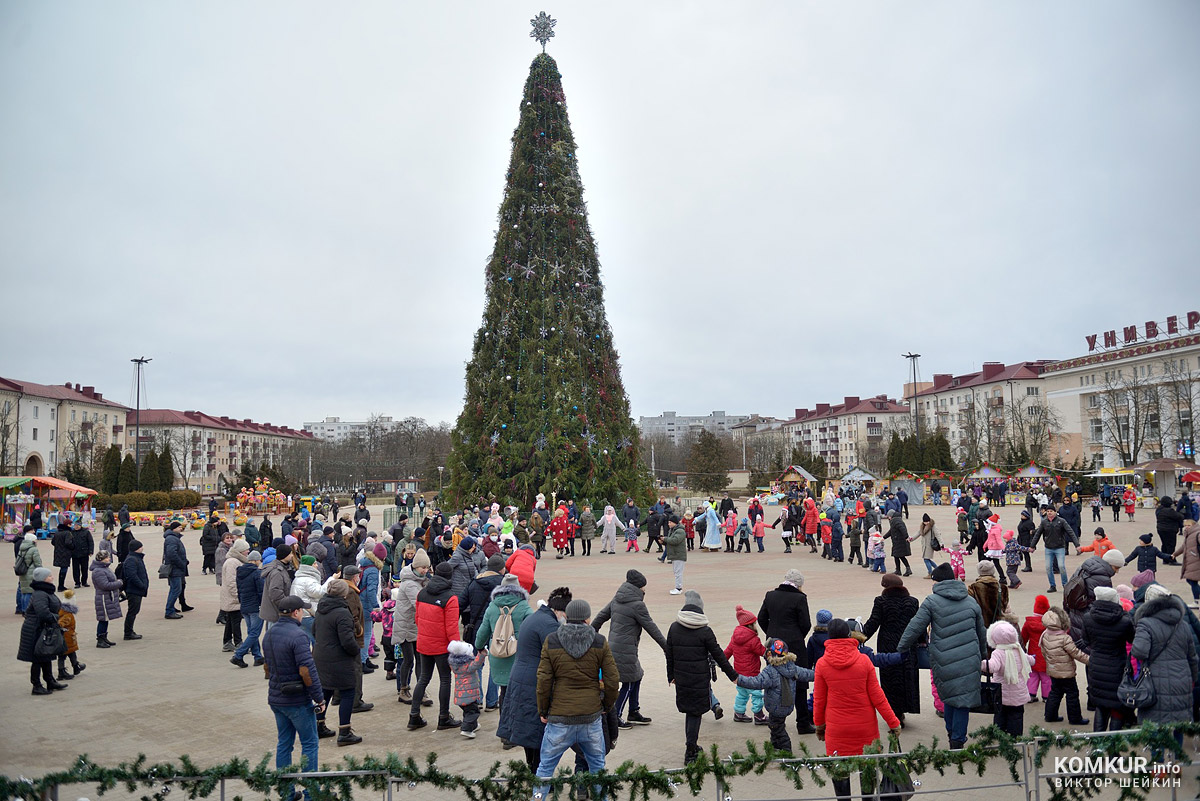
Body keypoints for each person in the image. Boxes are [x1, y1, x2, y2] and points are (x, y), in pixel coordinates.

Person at [533, 598, 619, 800]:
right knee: (598, 769)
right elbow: (613, 680)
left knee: (545, 768)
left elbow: (543, 681)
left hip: (559, 719)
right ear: (587, 618)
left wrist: (543, 710)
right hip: (591, 718)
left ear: (567, 616)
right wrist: (606, 705)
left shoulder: (552, 641)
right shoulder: (599, 641)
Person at [897, 563, 987, 749]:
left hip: (943, 658)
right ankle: (957, 740)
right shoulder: (971, 601)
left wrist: (902, 648)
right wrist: (984, 655)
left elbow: (915, 626)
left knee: (948, 697)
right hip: (969, 659)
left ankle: (950, 733)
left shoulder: (932, 601)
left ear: (937, 582)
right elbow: (981, 632)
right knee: (962, 701)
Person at [814, 618, 901, 801]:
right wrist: (893, 723)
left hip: (837, 730)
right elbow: (878, 697)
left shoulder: (822, 664)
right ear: (849, 635)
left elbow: (819, 701)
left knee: (840, 774)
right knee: (867, 772)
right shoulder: (864, 661)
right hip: (865, 730)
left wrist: (820, 726)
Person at [498, 586, 573, 770]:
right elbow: (556, 656)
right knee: (537, 731)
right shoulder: (549, 625)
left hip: (519, 677)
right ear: (559, 611)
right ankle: (538, 773)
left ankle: (532, 767)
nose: (565, 618)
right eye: (565, 614)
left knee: (526, 730)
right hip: (534, 681)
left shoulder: (534, 617)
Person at [262, 595, 324, 799]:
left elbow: (267, 668)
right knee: (309, 744)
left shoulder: (269, 634)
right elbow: (307, 671)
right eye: (302, 610)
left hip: (276, 698)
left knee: (284, 744)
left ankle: (287, 793)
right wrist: (319, 698)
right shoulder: (298, 636)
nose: (304, 613)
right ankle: (311, 793)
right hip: (297, 700)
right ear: (296, 612)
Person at [666, 590, 738, 763]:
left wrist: (671, 676)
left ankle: (692, 746)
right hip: (699, 680)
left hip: (682, 679)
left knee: (690, 713)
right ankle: (691, 751)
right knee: (694, 714)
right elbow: (719, 655)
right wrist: (733, 676)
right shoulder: (705, 631)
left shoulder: (674, 628)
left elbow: (669, 654)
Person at [592, 569, 667, 728]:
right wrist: (667, 647)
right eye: (643, 587)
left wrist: (591, 632)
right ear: (637, 587)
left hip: (614, 648)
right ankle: (617, 716)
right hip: (625, 651)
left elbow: (600, 617)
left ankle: (634, 711)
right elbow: (652, 628)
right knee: (629, 682)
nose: (644, 590)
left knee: (637, 675)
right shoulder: (637, 605)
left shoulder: (617, 599)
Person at [1131, 584, 1199, 731]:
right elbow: (1193, 657)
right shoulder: (1183, 624)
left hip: (1155, 681)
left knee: (1155, 726)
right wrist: (1192, 679)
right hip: (1182, 679)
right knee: (1178, 724)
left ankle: (1158, 754)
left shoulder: (1145, 624)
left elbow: (1139, 652)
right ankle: (1176, 753)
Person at [756, 569, 815, 735]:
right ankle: (802, 723)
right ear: (799, 585)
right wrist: (796, 636)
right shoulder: (800, 598)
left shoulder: (770, 595)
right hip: (795, 645)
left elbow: (761, 618)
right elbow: (806, 624)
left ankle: (775, 721)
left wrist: (772, 636)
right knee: (799, 680)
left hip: (773, 646)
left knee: (774, 680)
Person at [861, 573, 921, 725]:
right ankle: (904, 709)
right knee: (907, 677)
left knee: (890, 678)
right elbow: (918, 624)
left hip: (888, 644)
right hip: (908, 644)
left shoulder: (881, 601)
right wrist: (921, 642)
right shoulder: (913, 601)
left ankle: (894, 713)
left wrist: (859, 639)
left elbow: (873, 622)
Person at [409, 561, 461, 731]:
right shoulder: (450, 598)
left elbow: (417, 619)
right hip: (441, 646)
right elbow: (452, 628)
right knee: (445, 680)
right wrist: (458, 649)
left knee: (423, 678)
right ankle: (443, 717)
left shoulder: (422, 593)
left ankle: (414, 716)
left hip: (424, 643)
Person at [735, 638, 811, 754]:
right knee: (775, 725)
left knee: (778, 728)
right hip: (787, 704)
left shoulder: (770, 671)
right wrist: (821, 673)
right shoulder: (792, 667)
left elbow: (755, 682)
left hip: (776, 706)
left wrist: (739, 679)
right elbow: (807, 674)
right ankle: (775, 746)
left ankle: (786, 750)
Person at [312, 578, 364, 745]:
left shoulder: (321, 609)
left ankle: (319, 726)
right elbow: (347, 640)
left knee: (325, 692)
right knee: (348, 692)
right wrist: (356, 650)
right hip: (339, 659)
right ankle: (344, 731)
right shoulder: (342, 612)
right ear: (344, 594)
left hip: (321, 656)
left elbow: (314, 630)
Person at [473, 572, 532, 711]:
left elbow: (482, 632)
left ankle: (504, 725)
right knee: (517, 692)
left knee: (504, 691)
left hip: (497, 653)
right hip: (518, 654)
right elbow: (532, 628)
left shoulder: (493, 606)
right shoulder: (524, 606)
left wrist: (479, 646)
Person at [1080, 586, 1135, 731]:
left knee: (1101, 705)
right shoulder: (1124, 621)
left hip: (1096, 665)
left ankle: (1097, 745)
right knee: (1117, 706)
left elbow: (1086, 640)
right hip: (1117, 666)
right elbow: (1132, 639)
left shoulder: (1087, 618)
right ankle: (1113, 749)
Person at [17, 567, 67, 695]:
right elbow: (42, 612)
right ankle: (36, 685)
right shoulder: (40, 593)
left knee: (46, 655)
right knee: (37, 658)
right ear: (43, 579)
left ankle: (50, 680)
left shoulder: (46, 591)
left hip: (43, 628)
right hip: (35, 629)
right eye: (50, 576)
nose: (52, 577)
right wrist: (56, 618)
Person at [981, 621, 1034, 736]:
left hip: (1002, 693)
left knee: (1000, 714)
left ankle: (1000, 734)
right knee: (1017, 715)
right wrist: (1032, 659)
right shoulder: (1018, 650)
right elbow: (1029, 660)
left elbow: (993, 666)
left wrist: (983, 664)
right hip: (1018, 692)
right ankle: (1016, 736)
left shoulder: (998, 653)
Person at [1038, 606, 1090, 725]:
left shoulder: (1045, 635)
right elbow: (1076, 653)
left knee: (1055, 692)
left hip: (1053, 670)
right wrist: (1089, 661)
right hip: (1066, 673)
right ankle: (1075, 718)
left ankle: (1050, 715)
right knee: (1072, 694)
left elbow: (1044, 652)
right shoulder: (1065, 638)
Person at [393, 548, 431, 706]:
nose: (425, 570)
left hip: (415, 627)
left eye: (427, 568)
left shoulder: (421, 580)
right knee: (408, 660)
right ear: (415, 567)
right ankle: (403, 689)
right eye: (422, 567)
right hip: (406, 626)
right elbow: (419, 604)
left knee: (420, 660)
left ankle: (420, 690)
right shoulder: (409, 584)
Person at [723, 605, 766, 723]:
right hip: (752, 673)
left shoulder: (735, 638)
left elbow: (727, 651)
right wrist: (770, 653)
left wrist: (720, 660)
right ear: (750, 625)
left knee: (742, 694)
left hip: (739, 674)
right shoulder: (753, 639)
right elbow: (762, 651)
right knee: (757, 694)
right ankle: (759, 715)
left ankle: (739, 713)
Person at [1030, 506, 1080, 593]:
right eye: (1048, 511)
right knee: (1048, 568)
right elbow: (1037, 534)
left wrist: (1077, 545)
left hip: (1059, 547)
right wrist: (1032, 546)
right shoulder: (1044, 522)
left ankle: (1065, 585)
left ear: (1055, 512)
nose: (1049, 512)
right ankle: (1052, 585)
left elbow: (1070, 532)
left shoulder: (1061, 521)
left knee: (1061, 566)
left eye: (1051, 511)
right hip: (1048, 548)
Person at [231, 551, 266, 667]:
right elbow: (261, 591)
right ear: (255, 560)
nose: (260, 562)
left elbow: (239, 590)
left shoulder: (240, 572)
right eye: (259, 560)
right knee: (254, 633)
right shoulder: (257, 573)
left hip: (245, 606)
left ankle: (257, 656)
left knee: (252, 632)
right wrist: (262, 605)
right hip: (255, 606)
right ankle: (238, 655)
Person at [448, 639, 488, 738]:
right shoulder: (467, 666)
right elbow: (476, 664)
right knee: (473, 712)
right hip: (469, 695)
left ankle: (473, 725)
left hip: (460, 696)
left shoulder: (454, 665)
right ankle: (466, 729)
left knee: (467, 711)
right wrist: (481, 654)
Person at [220, 539, 251, 652]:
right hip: (233, 597)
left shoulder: (236, 561)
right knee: (235, 620)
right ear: (241, 551)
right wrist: (238, 595)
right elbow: (232, 581)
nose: (248, 551)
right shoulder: (232, 562)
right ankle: (239, 643)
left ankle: (227, 642)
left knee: (231, 619)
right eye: (246, 549)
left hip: (233, 596)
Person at [1020, 595, 1051, 703]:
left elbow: (1023, 637)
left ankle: (1031, 694)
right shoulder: (1049, 625)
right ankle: (1047, 696)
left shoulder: (1028, 623)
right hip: (1045, 654)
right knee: (1046, 677)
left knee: (1033, 675)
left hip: (1033, 654)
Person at [90, 550, 123, 649]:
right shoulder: (98, 571)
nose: (109, 559)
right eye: (107, 557)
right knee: (103, 619)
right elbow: (105, 585)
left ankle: (104, 637)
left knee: (106, 619)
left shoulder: (105, 568)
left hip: (108, 597)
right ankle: (100, 639)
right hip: (103, 598)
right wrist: (119, 583)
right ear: (101, 559)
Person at [967, 561, 1008, 629]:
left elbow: (970, 607)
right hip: (998, 626)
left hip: (980, 625)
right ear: (993, 571)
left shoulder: (973, 588)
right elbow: (1005, 607)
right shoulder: (1003, 588)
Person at [55, 588, 84, 680]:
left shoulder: (61, 611)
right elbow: (61, 623)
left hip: (66, 638)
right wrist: (62, 627)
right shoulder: (68, 615)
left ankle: (75, 666)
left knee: (69, 654)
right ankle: (63, 671)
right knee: (65, 655)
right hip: (67, 638)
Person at [163, 521, 190, 619]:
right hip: (175, 568)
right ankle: (169, 611)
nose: (181, 529)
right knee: (176, 589)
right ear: (174, 528)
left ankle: (171, 608)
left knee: (175, 589)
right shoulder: (171, 539)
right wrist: (181, 563)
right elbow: (171, 554)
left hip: (176, 568)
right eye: (179, 527)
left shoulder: (173, 538)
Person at [16, 529, 42, 614]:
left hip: (23, 571)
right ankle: (27, 610)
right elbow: (37, 562)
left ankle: (22, 609)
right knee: (29, 592)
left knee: (24, 591)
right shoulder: (33, 549)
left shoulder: (22, 547)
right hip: (31, 572)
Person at [1156, 495, 1185, 563]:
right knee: (1171, 545)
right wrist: (1181, 513)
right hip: (1169, 530)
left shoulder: (1159, 509)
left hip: (1160, 528)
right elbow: (1180, 516)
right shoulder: (1169, 510)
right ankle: (1171, 559)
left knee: (1164, 544)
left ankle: (1165, 559)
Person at [663, 515, 687, 594]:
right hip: (675, 554)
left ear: (675, 523)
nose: (668, 524)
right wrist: (663, 541)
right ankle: (678, 587)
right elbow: (671, 541)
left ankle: (678, 588)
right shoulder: (672, 530)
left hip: (679, 554)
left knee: (678, 572)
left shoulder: (680, 531)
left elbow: (675, 540)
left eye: (670, 522)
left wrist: (665, 539)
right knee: (676, 572)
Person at [883, 510, 912, 576]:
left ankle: (907, 569)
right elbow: (891, 531)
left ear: (891, 516)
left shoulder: (896, 521)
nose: (888, 518)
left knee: (900, 556)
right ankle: (899, 570)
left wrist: (906, 537)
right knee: (897, 556)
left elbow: (902, 529)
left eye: (888, 517)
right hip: (898, 541)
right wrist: (884, 537)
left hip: (899, 541)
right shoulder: (896, 521)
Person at [71, 517, 94, 589]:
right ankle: (77, 582)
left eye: (77, 525)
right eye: (75, 525)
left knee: (84, 568)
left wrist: (90, 551)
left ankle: (84, 581)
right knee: (75, 569)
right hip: (74, 553)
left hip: (84, 553)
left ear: (80, 525)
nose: (76, 527)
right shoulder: (71, 532)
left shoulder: (86, 532)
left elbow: (90, 542)